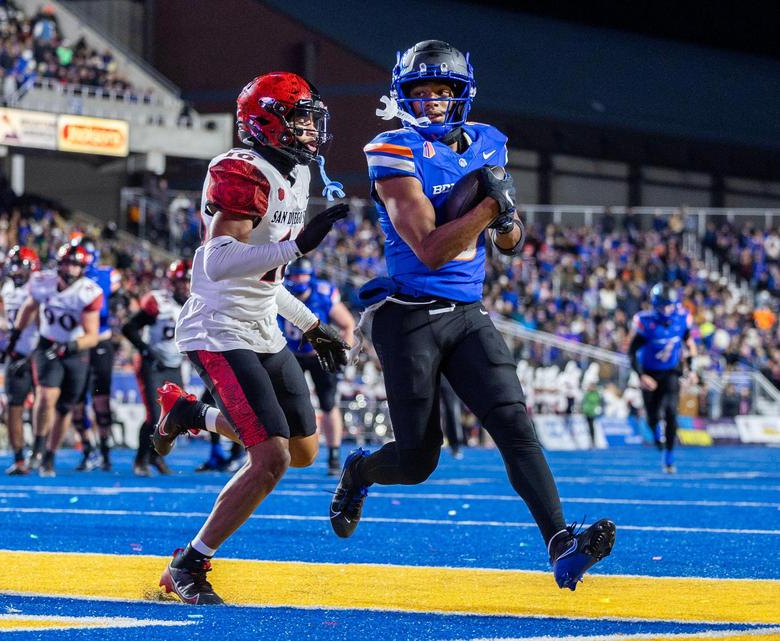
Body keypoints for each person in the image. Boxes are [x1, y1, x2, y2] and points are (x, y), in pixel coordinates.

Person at [327, 40, 614, 592]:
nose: (432, 101)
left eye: (443, 91)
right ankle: (361, 469)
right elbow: (431, 248)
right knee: (417, 461)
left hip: (466, 312)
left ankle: (560, 543)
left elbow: (511, 242)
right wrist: (489, 205)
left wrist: (503, 215)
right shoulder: (392, 149)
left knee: (515, 425)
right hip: (407, 315)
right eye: (420, 91)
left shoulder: (488, 142)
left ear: (462, 94)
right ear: (401, 94)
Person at [148, 71, 350, 604]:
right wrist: (298, 246)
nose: (309, 127)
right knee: (272, 458)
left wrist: (309, 323)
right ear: (264, 121)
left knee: (304, 450)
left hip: (260, 324)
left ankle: (191, 415)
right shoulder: (240, 170)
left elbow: (264, 279)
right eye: (299, 116)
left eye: (310, 116)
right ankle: (189, 565)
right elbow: (217, 263)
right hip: (217, 326)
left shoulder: (295, 176)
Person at [14, 242, 103, 477]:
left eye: (75, 264)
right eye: (67, 263)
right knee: (45, 396)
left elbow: (92, 336)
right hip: (47, 344)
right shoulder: (43, 282)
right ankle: (37, 449)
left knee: (64, 408)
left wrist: (70, 346)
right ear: (60, 264)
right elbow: (29, 307)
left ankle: (49, 457)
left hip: (75, 350)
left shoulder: (88, 292)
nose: (71, 269)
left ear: (82, 267)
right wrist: (15, 335)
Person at [277, 258, 356, 475]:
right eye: (294, 275)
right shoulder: (279, 291)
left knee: (329, 404)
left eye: (302, 275)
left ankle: (333, 454)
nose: (298, 279)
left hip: (319, 356)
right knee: (283, 403)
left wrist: (342, 353)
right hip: (291, 354)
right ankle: (282, 450)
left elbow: (347, 323)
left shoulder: (322, 292)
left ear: (310, 276)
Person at [122, 259, 190, 476]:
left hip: (175, 364)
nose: (187, 286)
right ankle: (140, 460)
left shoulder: (198, 303)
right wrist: (145, 350)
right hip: (154, 364)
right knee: (154, 415)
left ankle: (155, 456)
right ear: (173, 283)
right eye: (182, 282)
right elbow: (129, 328)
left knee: (174, 417)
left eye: (190, 281)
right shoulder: (159, 302)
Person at [628, 283, 697, 473]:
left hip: (670, 371)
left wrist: (691, 369)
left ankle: (669, 458)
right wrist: (641, 375)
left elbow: (689, 343)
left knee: (671, 412)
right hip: (649, 372)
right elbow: (632, 352)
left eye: (669, 305)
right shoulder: (646, 322)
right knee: (652, 418)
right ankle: (657, 436)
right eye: (662, 306)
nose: (666, 310)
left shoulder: (682, 318)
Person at [70, 236, 122, 472]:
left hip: (99, 343)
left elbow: (118, 302)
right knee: (76, 402)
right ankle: (88, 450)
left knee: (101, 400)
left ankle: (104, 452)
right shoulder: (68, 278)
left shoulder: (106, 275)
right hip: (78, 344)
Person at [0, 245, 41, 475]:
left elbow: (43, 326)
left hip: (38, 354)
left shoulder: (36, 288)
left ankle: (39, 452)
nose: (16, 271)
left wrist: (35, 355)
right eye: (13, 266)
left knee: (43, 404)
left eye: (20, 266)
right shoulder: (7, 288)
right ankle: (19, 458)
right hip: (16, 353)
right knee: (14, 407)